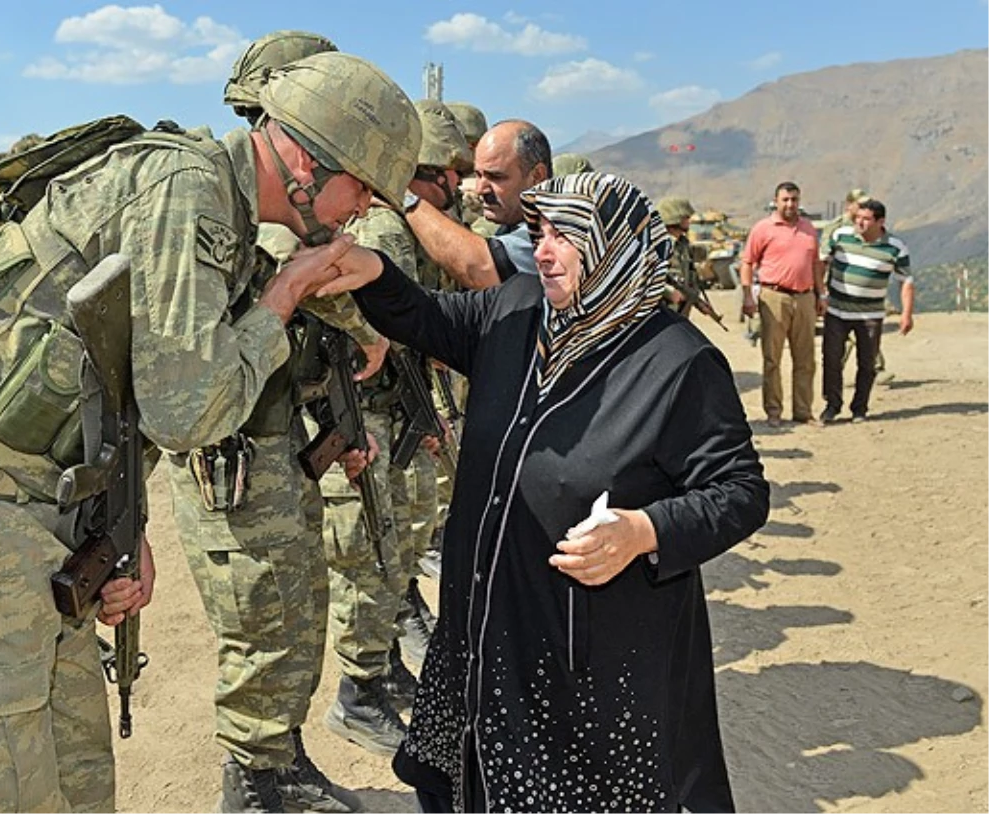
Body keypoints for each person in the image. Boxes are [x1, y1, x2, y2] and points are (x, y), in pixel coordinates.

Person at [0, 48, 418, 814]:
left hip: (34, 514)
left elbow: (121, 387)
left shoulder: (218, 213)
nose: (359, 210)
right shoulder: (186, 188)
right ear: (302, 157)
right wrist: (285, 296)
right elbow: (188, 409)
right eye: (359, 186)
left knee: (83, 785)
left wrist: (117, 524)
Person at [318, 171, 769, 812]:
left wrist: (643, 531)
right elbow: (424, 317)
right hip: (482, 626)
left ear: (615, 246)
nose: (545, 249)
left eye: (567, 235)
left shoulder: (678, 363)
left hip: (583, 654)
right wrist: (370, 271)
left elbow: (740, 491)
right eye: (541, 232)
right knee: (467, 784)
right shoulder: (517, 310)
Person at [177, 40, 419, 814]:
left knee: (291, 613)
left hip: (272, 447)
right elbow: (196, 391)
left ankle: (274, 762)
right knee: (264, 625)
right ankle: (254, 781)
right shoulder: (228, 215)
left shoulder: (258, 218)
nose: (363, 211)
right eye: (361, 186)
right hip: (233, 458)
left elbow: (301, 348)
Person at [321, 99, 471, 757]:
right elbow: (358, 333)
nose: (458, 188)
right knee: (370, 554)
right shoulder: (383, 233)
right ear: (421, 175)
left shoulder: (405, 234)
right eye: (448, 175)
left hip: (401, 412)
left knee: (398, 549)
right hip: (371, 417)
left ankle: (381, 674)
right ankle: (357, 694)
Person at [404, 119, 551, 288]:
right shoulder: (513, 222)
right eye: (478, 175)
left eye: (496, 177)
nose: (480, 189)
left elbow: (479, 268)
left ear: (537, 176)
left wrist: (406, 199)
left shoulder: (553, 228)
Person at [739, 181, 826, 425]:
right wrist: (748, 296)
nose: (790, 204)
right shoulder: (763, 229)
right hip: (773, 297)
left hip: (805, 297)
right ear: (776, 201)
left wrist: (822, 294)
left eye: (794, 199)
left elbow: (815, 264)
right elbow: (747, 262)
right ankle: (774, 412)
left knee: (805, 359)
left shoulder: (808, 228)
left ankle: (803, 411)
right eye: (785, 199)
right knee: (772, 358)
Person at [819, 198, 913, 423]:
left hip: (870, 315)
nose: (860, 223)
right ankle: (832, 405)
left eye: (866, 219)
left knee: (867, 363)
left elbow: (906, 280)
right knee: (831, 359)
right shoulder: (841, 236)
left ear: (880, 221)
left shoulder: (895, 248)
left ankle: (859, 408)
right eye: (858, 218)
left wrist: (906, 314)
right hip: (837, 312)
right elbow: (821, 262)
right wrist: (821, 293)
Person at [656, 196, 699, 317]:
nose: (689, 221)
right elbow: (645, 276)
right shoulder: (659, 244)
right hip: (660, 308)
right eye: (686, 217)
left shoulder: (683, 244)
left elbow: (690, 275)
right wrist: (669, 292)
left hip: (679, 309)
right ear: (674, 218)